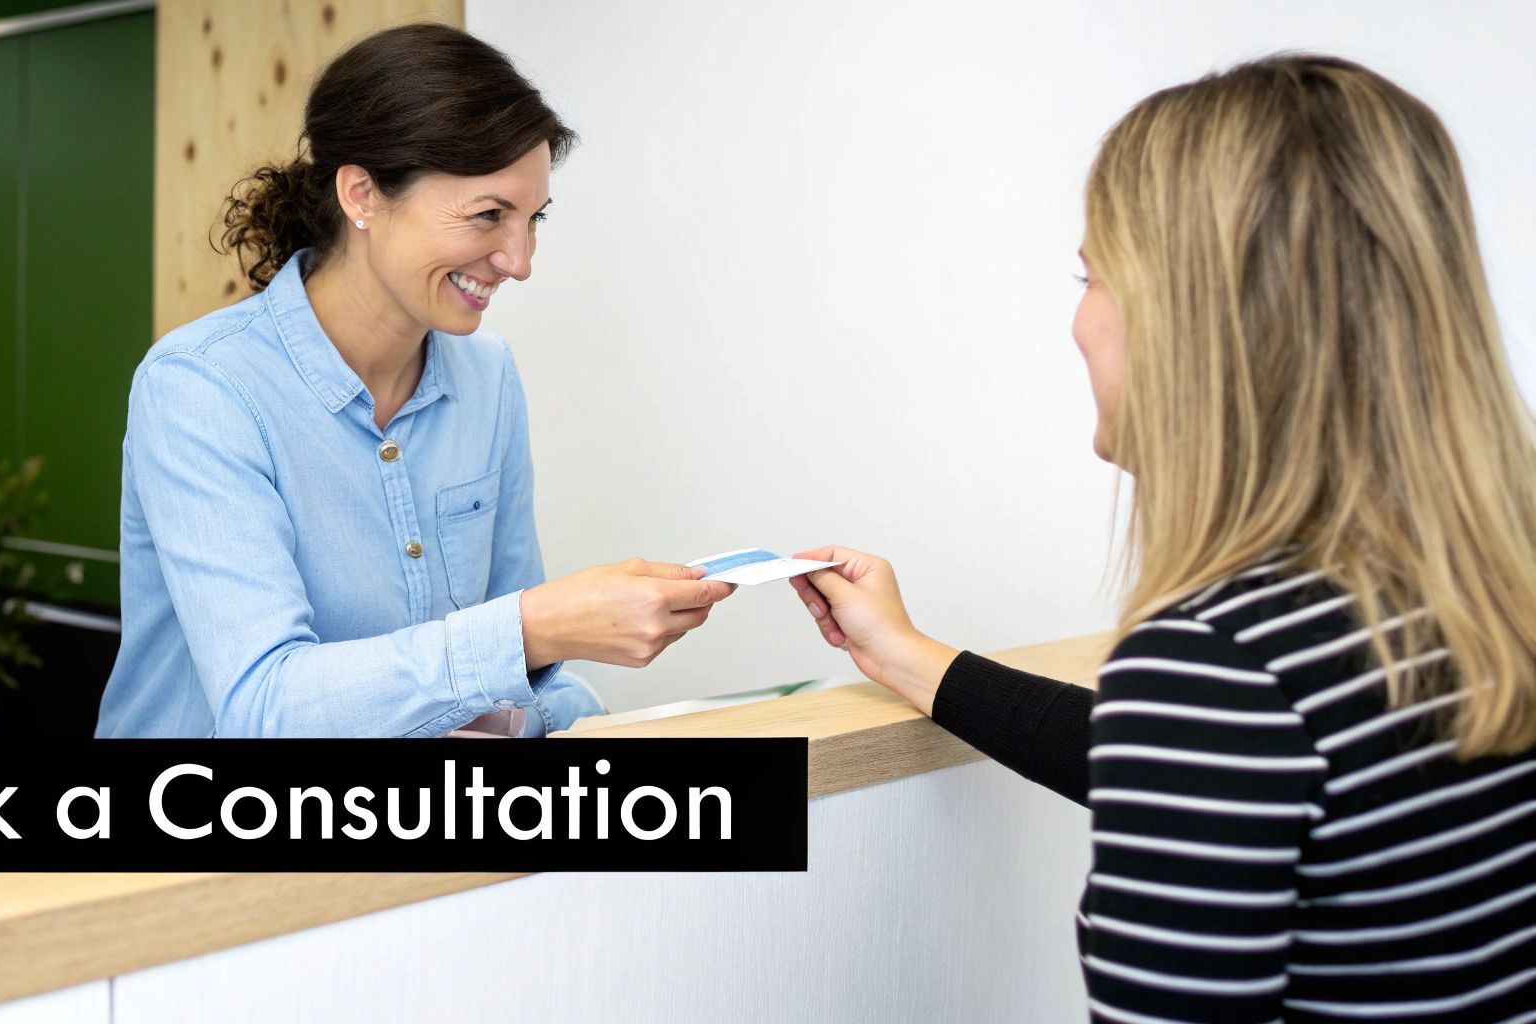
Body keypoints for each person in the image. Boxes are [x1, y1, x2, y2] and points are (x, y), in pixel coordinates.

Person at [793, 55, 1536, 1021]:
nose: (1077, 322)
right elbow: (1211, 773)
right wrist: (911, 659)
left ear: (1199, 316)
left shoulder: (1225, 668)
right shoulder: (1478, 600)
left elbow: (1210, 735)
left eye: (1092, 275)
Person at [97, 24, 731, 739]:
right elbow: (265, 710)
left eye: (532, 220)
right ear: (362, 193)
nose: (519, 260)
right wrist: (533, 631)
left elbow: (522, 685)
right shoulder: (204, 388)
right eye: (490, 215)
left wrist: (545, 683)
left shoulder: (487, 379)